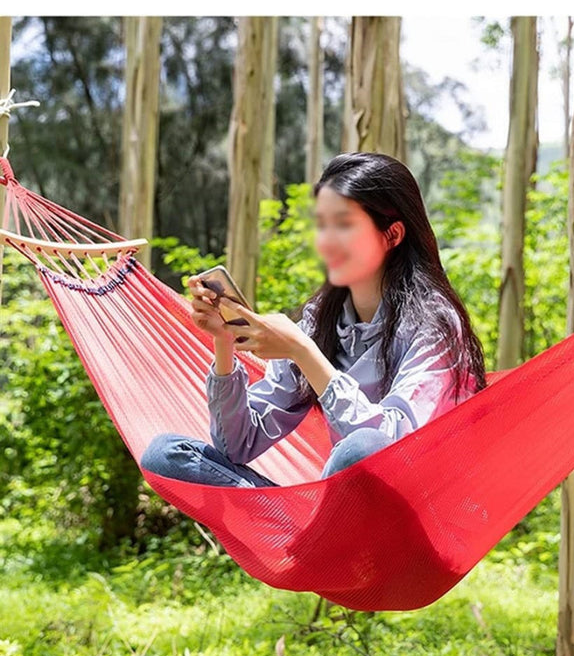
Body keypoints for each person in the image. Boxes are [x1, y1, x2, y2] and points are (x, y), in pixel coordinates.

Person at [140, 152, 486, 487]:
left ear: (392, 235)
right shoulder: (321, 319)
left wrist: (304, 352)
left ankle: (308, 524)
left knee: (362, 448)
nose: (326, 242)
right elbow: (237, 445)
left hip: (415, 504)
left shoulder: (434, 325)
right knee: (166, 456)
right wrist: (224, 341)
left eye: (344, 225)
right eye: (321, 225)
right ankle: (307, 524)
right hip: (338, 503)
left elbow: (393, 447)